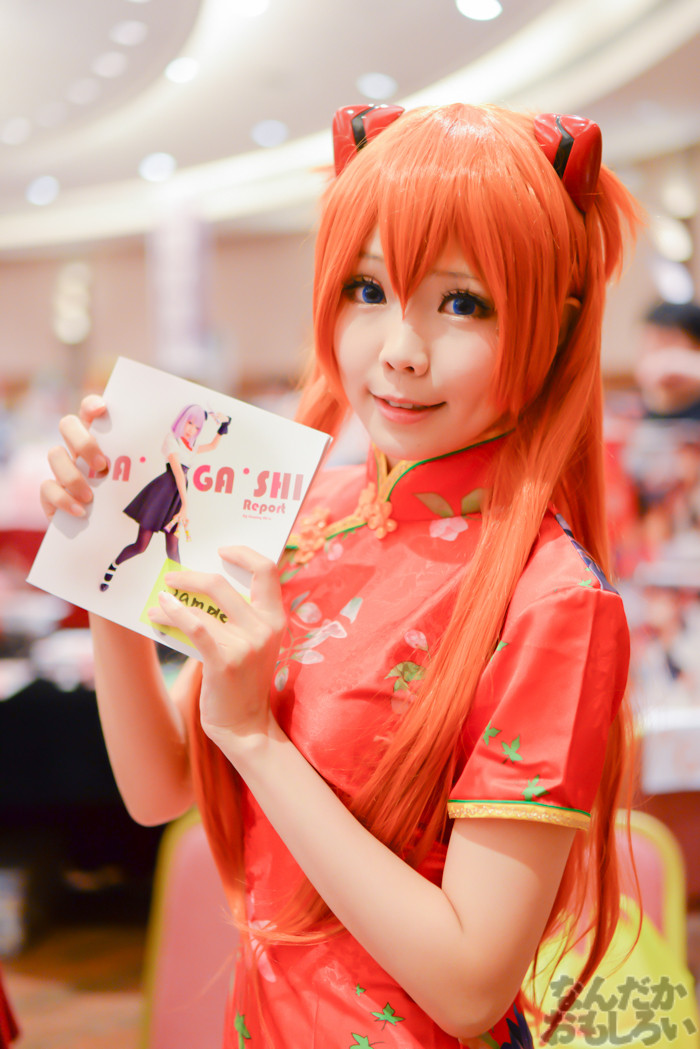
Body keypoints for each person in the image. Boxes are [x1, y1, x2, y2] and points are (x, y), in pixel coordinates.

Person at [41, 103, 642, 1048]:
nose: (400, 348)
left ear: (555, 325)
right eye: (367, 289)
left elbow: (470, 986)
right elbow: (160, 789)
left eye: (462, 303)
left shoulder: (555, 599)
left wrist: (255, 739)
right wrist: (104, 560)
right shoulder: (305, 510)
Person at [97, 403, 230, 591]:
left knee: (173, 547)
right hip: (162, 493)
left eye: (196, 427)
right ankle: (114, 565)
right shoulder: (172, 440)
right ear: (182, 420)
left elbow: (212, 446)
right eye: (189, 423)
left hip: (177, 496)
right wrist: (185, 505)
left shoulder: (191, 446)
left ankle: (180, 587)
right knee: (141, 546)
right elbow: (178, 473)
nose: (191, 429)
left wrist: (224, 425)